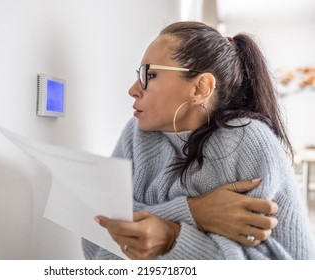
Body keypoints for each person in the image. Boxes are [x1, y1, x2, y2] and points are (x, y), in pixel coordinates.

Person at [82, 21, 315, 259]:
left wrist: (172, 237)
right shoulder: (137, 133)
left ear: (200, 88)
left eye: (149, 75)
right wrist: (194, 212)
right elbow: (96, 230)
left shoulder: (246, 140)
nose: (133, 89)